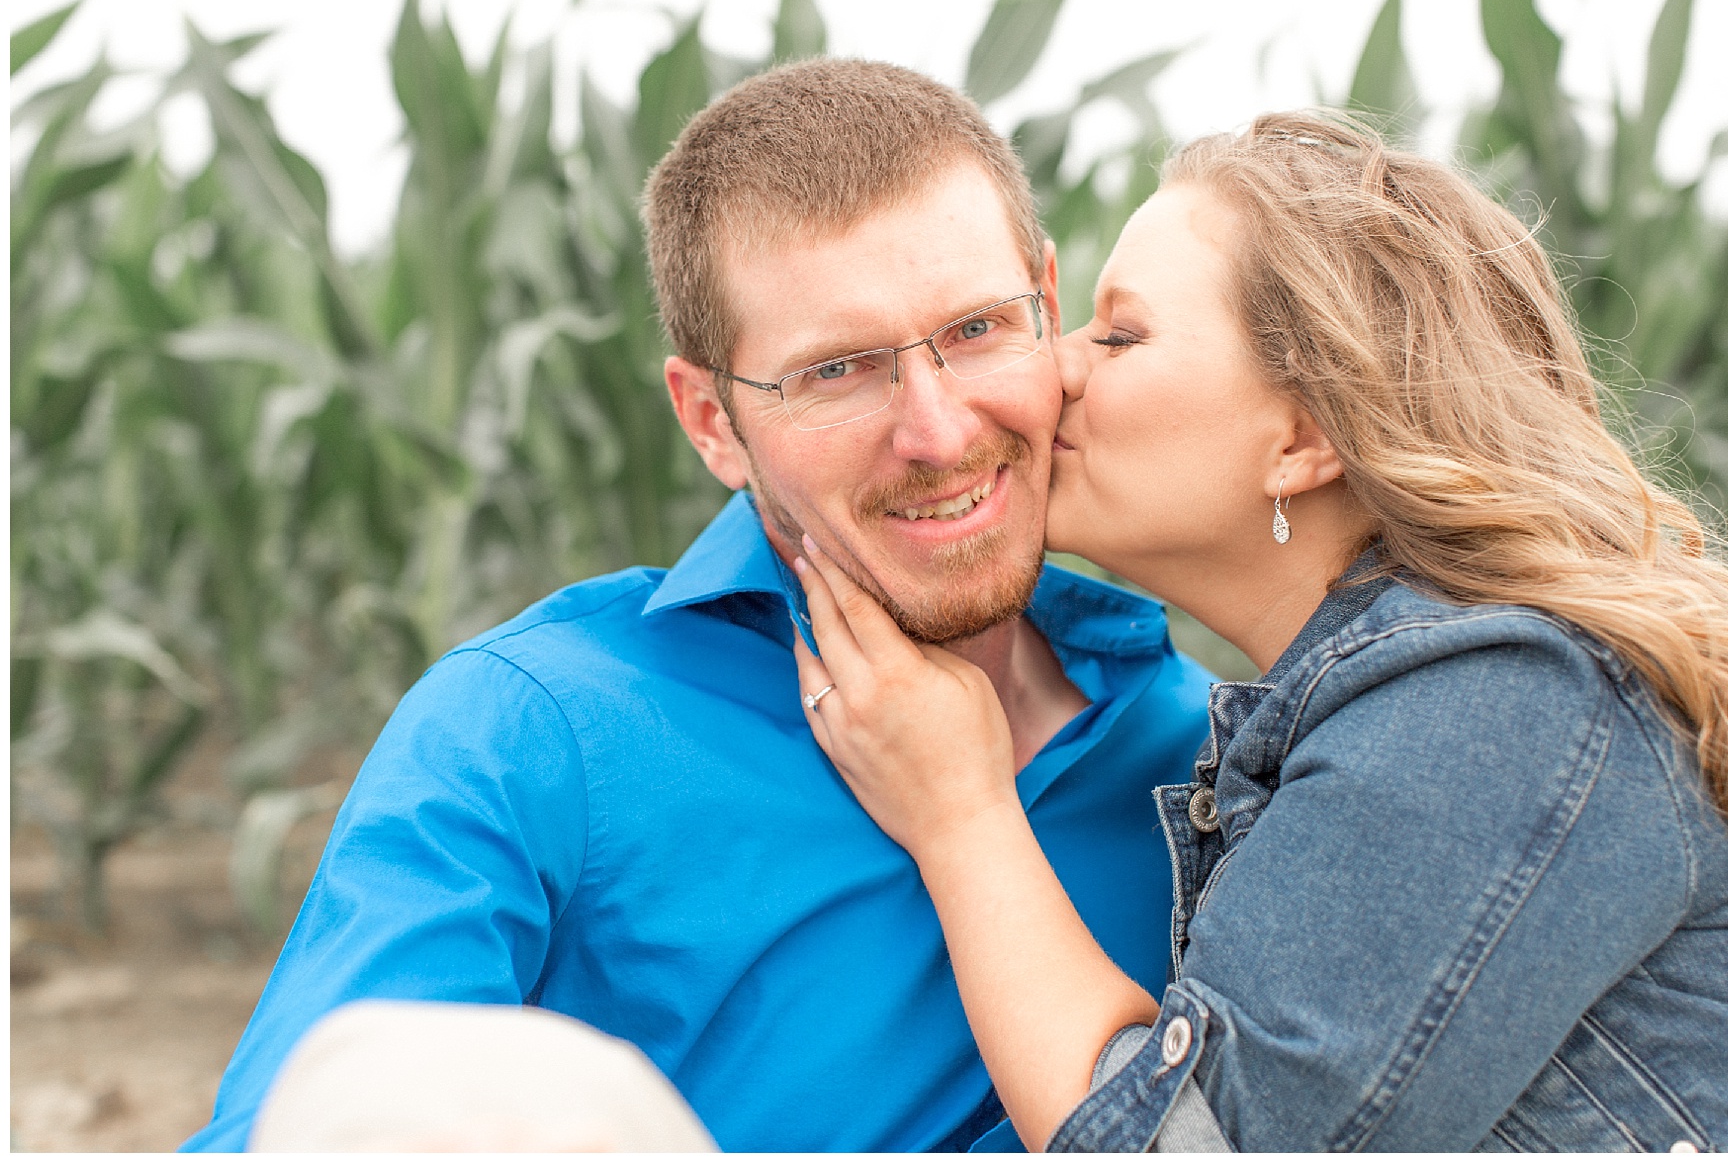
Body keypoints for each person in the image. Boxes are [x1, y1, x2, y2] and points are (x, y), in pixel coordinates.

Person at [180, 59, 1217, 1153]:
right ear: (711, 421)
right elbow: (315, 1124)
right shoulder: (527, 734)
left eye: (976, 330)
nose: (940, 432)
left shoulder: (1207, 753)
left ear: (1047, 307)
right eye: (838, 372)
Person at [791, 111, 1728, 1152]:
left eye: (1120, 333)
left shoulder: (1496, 702)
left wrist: (961, 814)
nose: (1058, 369)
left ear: (1304, 436)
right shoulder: (1411, 697)